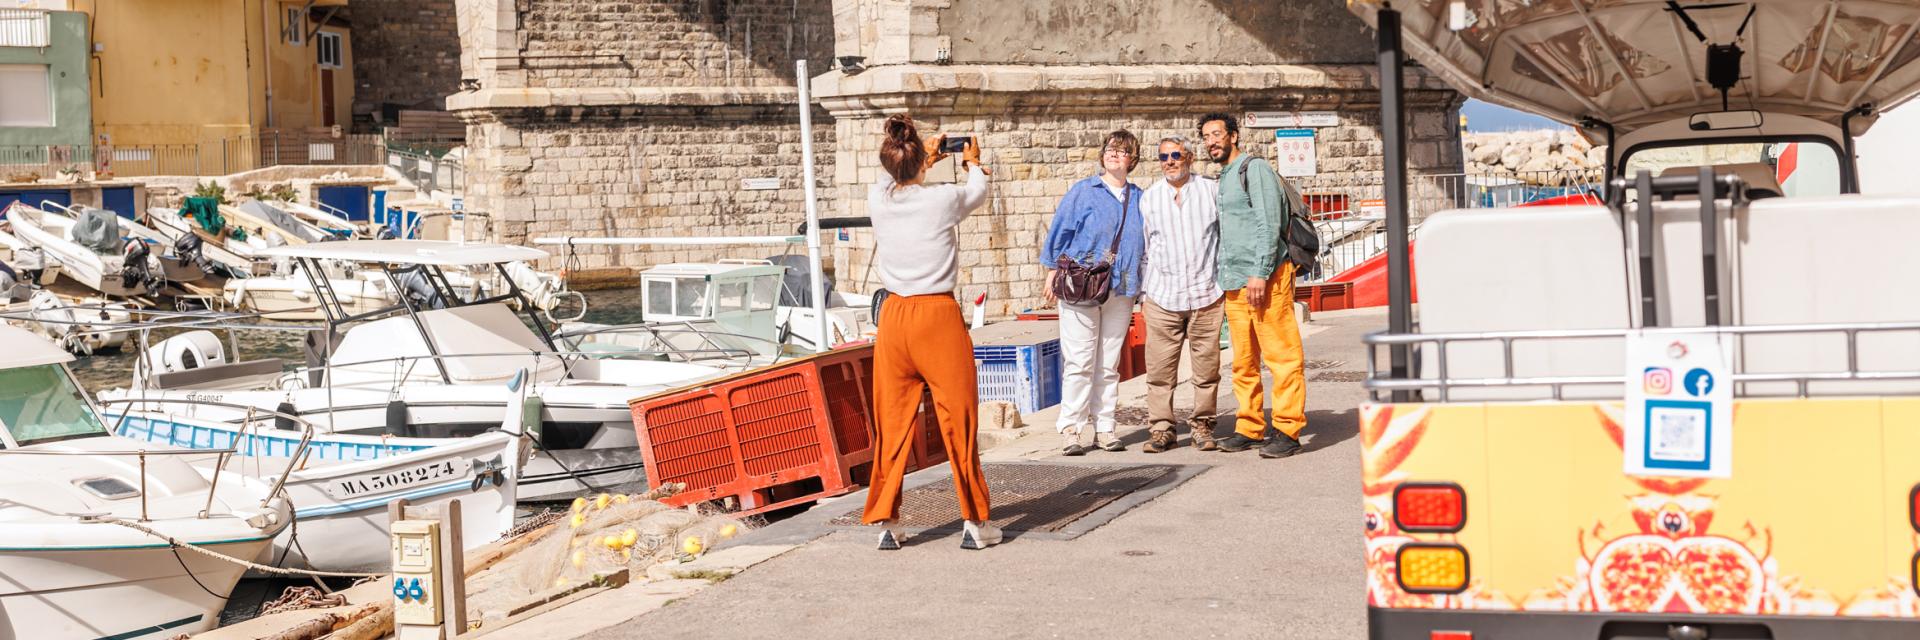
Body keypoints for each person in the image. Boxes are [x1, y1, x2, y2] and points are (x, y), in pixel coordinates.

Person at [862, 114, 1001, 550]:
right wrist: (972, 160)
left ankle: (887, 519)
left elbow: (899, 178)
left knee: (893, 421)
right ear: (921, 161)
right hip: (936, 315)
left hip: (894, 316)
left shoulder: (877, 197)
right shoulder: (942, 199)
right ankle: (975, 522)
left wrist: (927, 157)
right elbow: (977, 190)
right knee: (957, 419)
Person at [1200, 112, 1307, 459]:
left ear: (1233, 136)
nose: (1211, 141)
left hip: (1266, 278)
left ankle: (1288, 429)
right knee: (1243, 362)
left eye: (1217, 134)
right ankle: (1250, 426)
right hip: (1235, 281)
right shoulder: (1226, 176)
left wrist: (1261, 272)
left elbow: (1268, 221)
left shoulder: (1253, 169)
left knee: (1282, 356)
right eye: (1205, 136)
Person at [1041, 130, 1147, 456]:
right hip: (1081, 285)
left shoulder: (1141, 198)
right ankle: (1071, 427)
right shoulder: (1084, 192)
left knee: (1108, 362)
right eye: (1110, 149)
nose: (1115, 154)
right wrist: (1050, 271)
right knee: (1079, 360)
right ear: (1102, 156)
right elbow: (1060, 231)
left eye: (1123, 151)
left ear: (1133, 159)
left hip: (1122, 286)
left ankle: (1105, 425)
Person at [1138, 135, 1224, 453]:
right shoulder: (1149, 199)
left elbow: (1223, 237)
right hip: (1163, 295)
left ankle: (1203, 425)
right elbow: (1145, 249)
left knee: (1207, 368)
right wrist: (1144, 294)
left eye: (1176, 155)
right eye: (1163, 157)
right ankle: (1162, 428)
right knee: (1160, 370)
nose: (1170, 162)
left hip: (1206, 293)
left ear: (1189, 157)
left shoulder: (1210, 191)